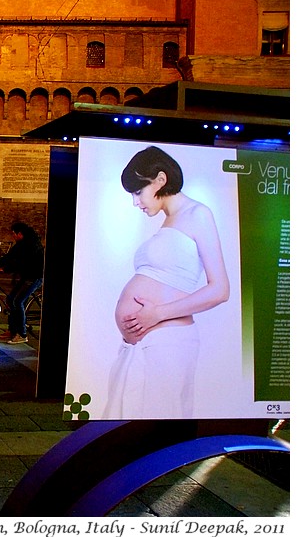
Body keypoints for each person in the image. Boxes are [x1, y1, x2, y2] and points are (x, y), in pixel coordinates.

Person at [105, 145, 230, 418]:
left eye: (138, 192)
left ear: (160, 180)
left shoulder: (198, 214)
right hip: (144, 345)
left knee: (158, 428)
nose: (135, 202)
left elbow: (220, 290)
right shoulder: (169, 222)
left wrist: (156, 314)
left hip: (169, 343)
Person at [0, 222, 44, 344]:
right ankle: (12, 330)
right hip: (26, 275)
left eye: (14, 234)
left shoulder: (31, 245)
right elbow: (10, 257)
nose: (13, 236)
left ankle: (22, 334)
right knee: (10, 300)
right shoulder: (21, 244)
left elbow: (20, 263)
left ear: (20, 234)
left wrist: (4, 269)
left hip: (34, 277)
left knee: (17, 301)